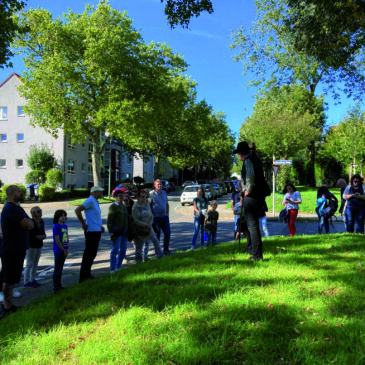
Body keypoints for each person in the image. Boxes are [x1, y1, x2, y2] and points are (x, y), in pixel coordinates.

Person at [0, 185, 34, 319]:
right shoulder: (10, 208)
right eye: (19, 191)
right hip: (11, 249)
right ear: (11, 193)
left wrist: (27, 223)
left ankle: (9, 304)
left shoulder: (17, 208)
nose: (21, 193)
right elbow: (28, 224)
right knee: (8, 279)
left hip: (18, 248)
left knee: (13, 278)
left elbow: (31, 223)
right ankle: (6, 307)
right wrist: (27, 224)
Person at [234, 141, 270, 261]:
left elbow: (250, 176)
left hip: (252, 196)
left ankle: (257, 255)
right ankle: (255, 251)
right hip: (260, 196)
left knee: (252, 226)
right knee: (254, 226)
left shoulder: (248, 160)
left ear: (240, 154)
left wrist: (247, 191)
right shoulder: (256, 159)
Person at [75, 185, 105, 283]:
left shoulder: (95, 202)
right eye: (99, 192)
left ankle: (87, 274)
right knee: (89, 253)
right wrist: (83, 223)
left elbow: (94, 216)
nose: (101, 193)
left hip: (96, 230)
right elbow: (78, 210)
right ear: (94, 192)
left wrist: (100, 226)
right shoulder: (90, 200)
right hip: (91, 231)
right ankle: (83, 277)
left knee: (92, 253)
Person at [132, 189, 163, 263]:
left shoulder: (147, 205)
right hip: (140, 229)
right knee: (139, 248)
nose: (144, 198)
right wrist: (145, 225)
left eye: (145, 196)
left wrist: (149, 224)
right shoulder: (135, 207)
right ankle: (139, 262)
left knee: (155, 241)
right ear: (138, 197)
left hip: (149, 228)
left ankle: (161, 256)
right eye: (142, 196)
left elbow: (150, 217)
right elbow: (135, 220)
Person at [24, 206, 46, 288]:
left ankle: (33, 279)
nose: (40, 212)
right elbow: (29, 235)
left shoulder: (41, 221)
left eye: (40, 210)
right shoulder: (31, 222)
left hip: (39, 244)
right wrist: (37, 237)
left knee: (35, 263)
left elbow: (42, 231)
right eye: (38, 211)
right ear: (34, 213)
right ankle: (26, 281)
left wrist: (44, 235)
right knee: (29, 263)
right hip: (31, 245)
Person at [150, 179, 173, 255]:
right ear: (154, 185)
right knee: (157, 235)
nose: (159, 186)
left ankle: (166, 249)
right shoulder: (151, 194)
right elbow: (149, 206)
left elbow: (167, 204)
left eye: (160, 184)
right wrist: (153, 215)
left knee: (168, 232)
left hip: (164, 217)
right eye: (158, 184)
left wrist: (167, 214)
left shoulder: (164, 193)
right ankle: (157, 251)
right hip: (156, 218)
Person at [107, 191, 128, 272]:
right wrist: (111, 233)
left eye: (122, 196)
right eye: (119, 196)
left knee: (123, 249)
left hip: (124, 230)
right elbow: (109, 221)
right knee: (115, 249)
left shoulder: (123, 206)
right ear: (115, 197)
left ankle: (118, 266)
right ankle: (112, 268)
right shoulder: (113, 206)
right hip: (117, 229)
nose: (121, 198)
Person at [52, 210, 69, 293]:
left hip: (65, 249)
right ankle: (56, 287)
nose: (63, 217)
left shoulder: (65, 226)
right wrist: (62, 250)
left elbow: (66, 238)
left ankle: (59, 285)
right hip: (59, 251)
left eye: (64, 215)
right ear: (57, 217)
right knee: (57, 269)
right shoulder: (56, 226)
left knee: (61, 269)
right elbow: (57, 240)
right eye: (61, 216)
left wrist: (67, 248)